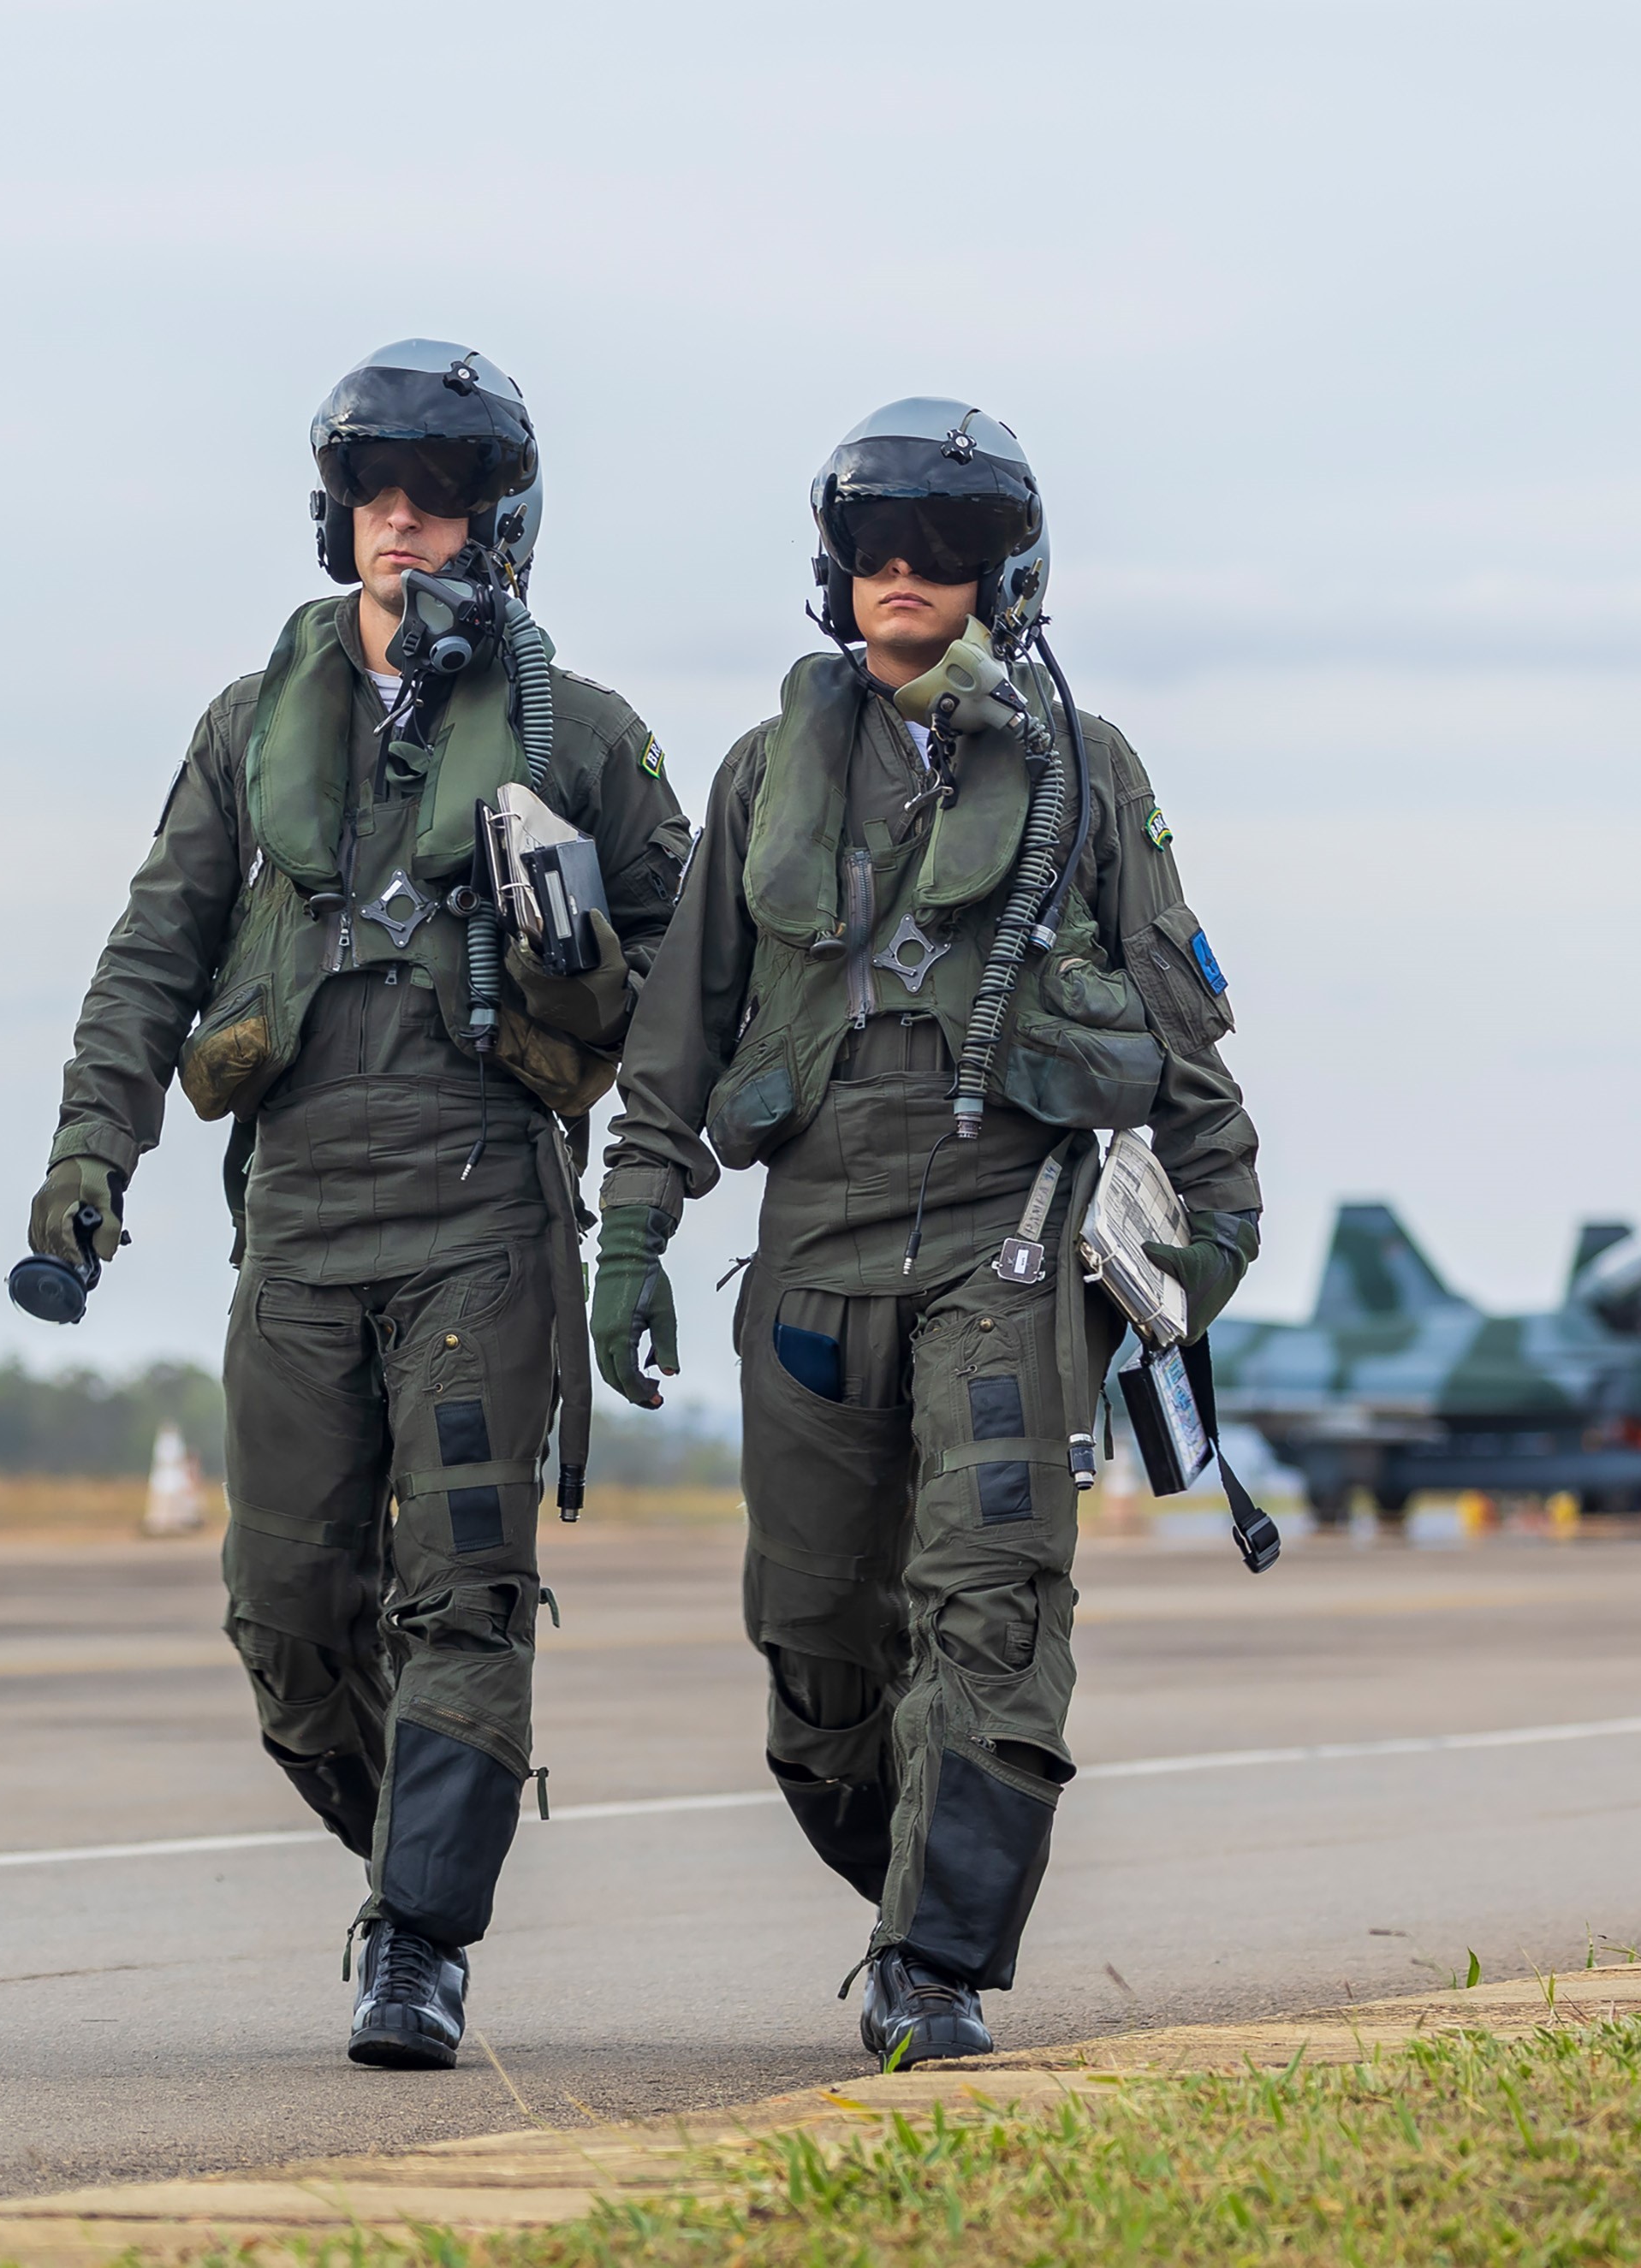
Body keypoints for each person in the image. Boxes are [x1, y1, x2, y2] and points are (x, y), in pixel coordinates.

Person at [31, 342, 692, 2068]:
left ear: (499, 530)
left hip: (483, 1206)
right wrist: (90, 1150)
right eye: (381, 499)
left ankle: (416, 1936)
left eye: (443, 502)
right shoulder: (249, 727)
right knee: (281, 1611)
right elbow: (150, 955)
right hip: (301, 1220)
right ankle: (423, 1843)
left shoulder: (591, 739)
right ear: (340, 519)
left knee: (459, 1592)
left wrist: (589, 988)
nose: (408, 528)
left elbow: (697, 994)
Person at [592, 401, 1262, 2066]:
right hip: (811, 1250)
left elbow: (1178, 1019)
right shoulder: (761, 773)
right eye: (878, 548)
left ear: (995, 575)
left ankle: (933, 1958)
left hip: (1002, 1242)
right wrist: (627, 1233)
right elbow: (678, 1033)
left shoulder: (1087, 770)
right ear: (840, 574)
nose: (905, 575)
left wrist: (1208, 1233)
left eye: (940, 551)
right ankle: (908, 1878)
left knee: (988, 1600)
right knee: (814, 1648)